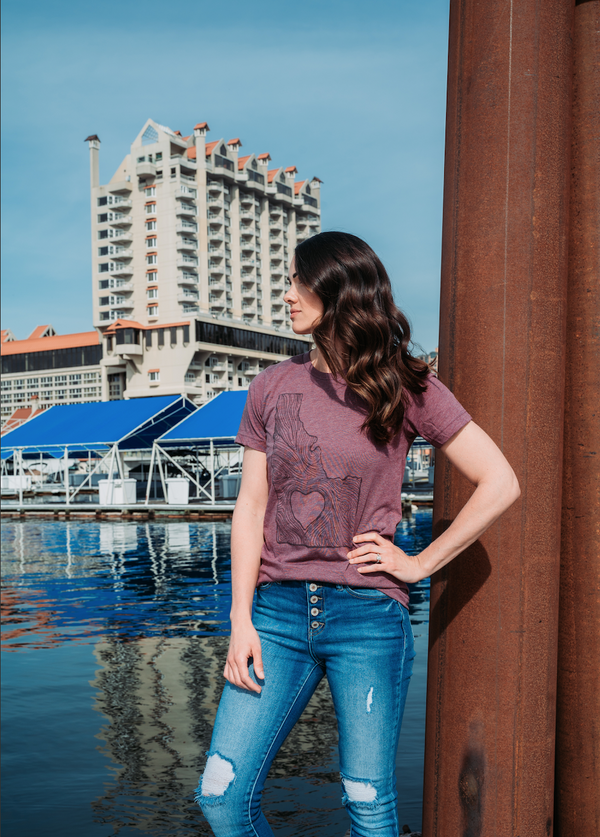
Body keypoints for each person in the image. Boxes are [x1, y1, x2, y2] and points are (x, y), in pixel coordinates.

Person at [195, 232, 520, 836]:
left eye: (296, 281)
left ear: (336, 292)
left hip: (366, 613)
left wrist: (420, 563)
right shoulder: (269, 387)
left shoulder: (403, 384)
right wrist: (240, 618)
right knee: (220, 794)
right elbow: (250, 507)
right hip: (276, 614)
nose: (285, 293)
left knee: (367, 804)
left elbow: (500, 482)